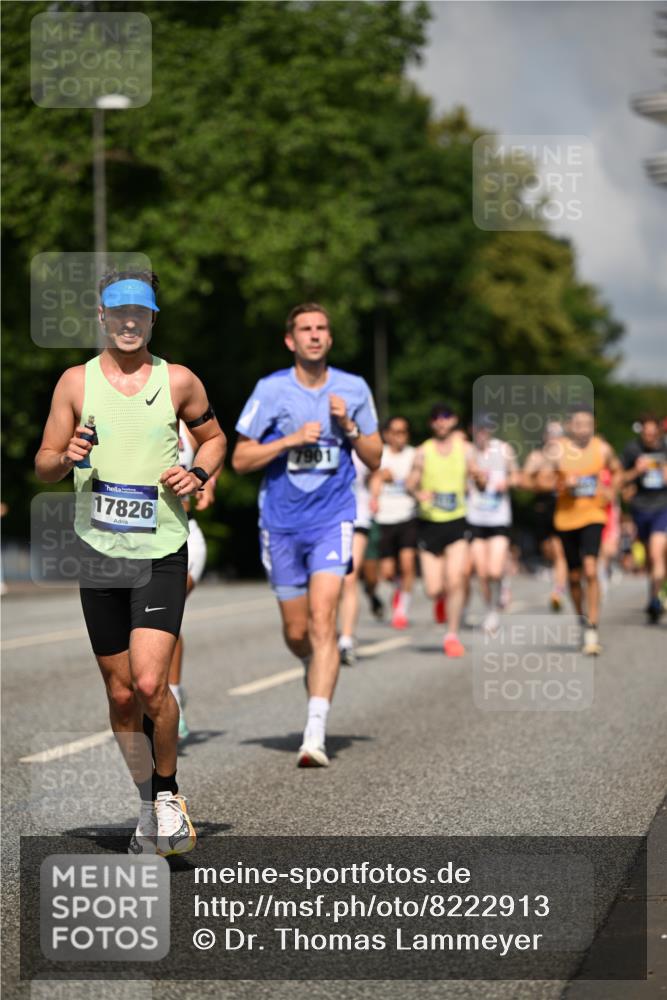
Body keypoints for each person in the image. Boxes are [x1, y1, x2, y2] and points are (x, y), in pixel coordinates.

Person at [34, 269, 226, 855]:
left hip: (160, 551)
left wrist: (196, 472)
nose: (127, 323)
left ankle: (168, 796)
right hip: (99, 555)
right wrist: (64, 455)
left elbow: (216, 439)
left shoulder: (179, 381)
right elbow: (43, 464)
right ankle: (146, 804)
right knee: (120, 697)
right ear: (101, 316)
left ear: (151, 319)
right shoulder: (75, 383)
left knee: (149, 682)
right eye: (118, 313)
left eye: (138, 314)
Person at [232, 303, 382, 766]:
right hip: (280, 524)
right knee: (297, 631)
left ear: (329, 339)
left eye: (321, 329)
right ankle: (311, 660)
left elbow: (375, 458)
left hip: (332, 519)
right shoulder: (271, 390)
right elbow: (240, 460)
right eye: (305, 329)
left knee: (323, 620)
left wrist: (350, 427)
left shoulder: (353, 388)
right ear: (290, 340)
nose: (314, 336)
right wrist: (289, 441)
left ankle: (314, 733)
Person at [539, 406, 620, 655]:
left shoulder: (602, 449)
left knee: (590, 569)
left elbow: (617, 471)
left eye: (588, 424)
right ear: (569, 425)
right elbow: (541, 480)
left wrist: (611, 491)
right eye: (579, 424)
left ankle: (592, 627)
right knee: (574, 577)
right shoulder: (557, 450)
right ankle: (580, 618)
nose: (584, 429)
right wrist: (563, 482)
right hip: (565, 519)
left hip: (594, 515)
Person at [406, 403, 472, 658]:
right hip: (429, 523)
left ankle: (452, 635)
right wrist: (417, 491)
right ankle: (442, 600)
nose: (441, 422)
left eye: (446, 418)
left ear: (453, 420)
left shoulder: (465, 450)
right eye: (436, 418)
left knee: (455, 579)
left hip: (457, 520)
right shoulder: (423, 451)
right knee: (433, 588)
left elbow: (480, 476)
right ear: (431, 424)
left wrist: (478, 477)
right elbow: (411, 482)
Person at [168, 420, 218, 738]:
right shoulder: (129, 416)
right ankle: (164, 694)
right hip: (143, 540)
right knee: (144, 622)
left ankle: (173, 701)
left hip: (186, 535)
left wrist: (209, 479)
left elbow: (217, 444)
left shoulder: (188, 427)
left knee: (165, 613)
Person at [466, 416, 520, 633]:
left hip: (498, 518)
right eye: (478, 429)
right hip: (475, 518)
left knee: (494, 571)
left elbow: (518, 477)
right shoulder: (467, 453)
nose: (482, 433)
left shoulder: (503, 450)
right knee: (482, 572)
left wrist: (505, 482)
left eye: (486, 429)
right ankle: (490, 611)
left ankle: (502, 586)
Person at [370, 416, 417, 629]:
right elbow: (372, 479)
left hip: (408, 515)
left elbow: (421, 479)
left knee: (407, 563)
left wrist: (414, 484)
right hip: (385, 517)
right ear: (387, 434)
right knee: (387, 572)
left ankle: (402, 611)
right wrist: (378, 483)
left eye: (404, 432)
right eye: (396, 432)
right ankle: (399, 587)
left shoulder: (414, 455)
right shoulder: (380, 454)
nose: (400, 436)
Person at [621, 414, 667, 623]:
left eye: (653, 433)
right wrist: (635, 471)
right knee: (650, 557)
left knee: (657, 553)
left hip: (662, 506)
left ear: (658, 431)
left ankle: (656, 599)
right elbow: (620, 478)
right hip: (640, 508)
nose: (649, 437)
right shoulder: (632, 449)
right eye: (645, 433)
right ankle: (653, 596)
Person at [522, 422, 568, 611]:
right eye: (551, 434)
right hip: (542, 506)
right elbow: (523, 479)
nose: (553, 438)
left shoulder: (568, 456)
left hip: (562, 506)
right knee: (547, 548)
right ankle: (557, 578)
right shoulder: (536, 456)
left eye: (558, 434)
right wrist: (539, 484)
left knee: (559, 550)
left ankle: (558, 590)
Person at [337, 450, 373, 665]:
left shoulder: (361, 442)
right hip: (324, 518)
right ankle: (326, 635)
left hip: (357, 518)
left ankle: (347, 639)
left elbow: (377, 469)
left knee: (349, 577)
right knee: (328, 582)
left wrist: (376, 494)